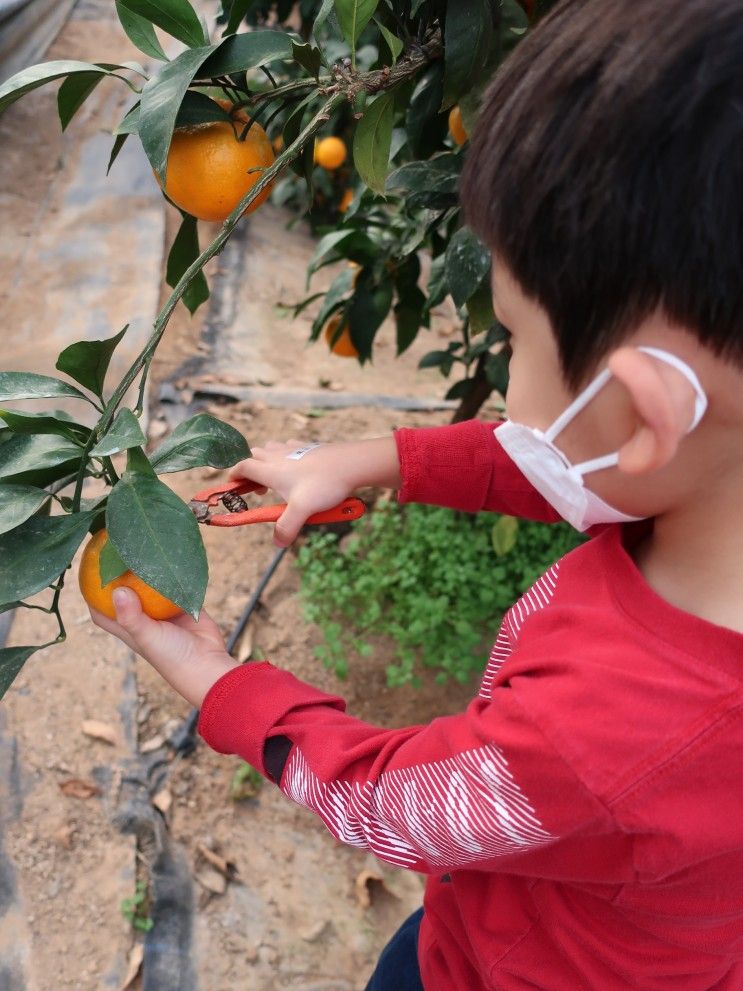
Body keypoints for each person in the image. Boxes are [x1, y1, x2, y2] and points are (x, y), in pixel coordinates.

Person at [90, 0, 743, 987]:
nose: (507, 372)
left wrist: (223, 683)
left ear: (648, 414)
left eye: (515, 339)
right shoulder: (705, 494)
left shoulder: (612, 734)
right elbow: (578, 464)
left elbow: (392, 805)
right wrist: (373, 462)